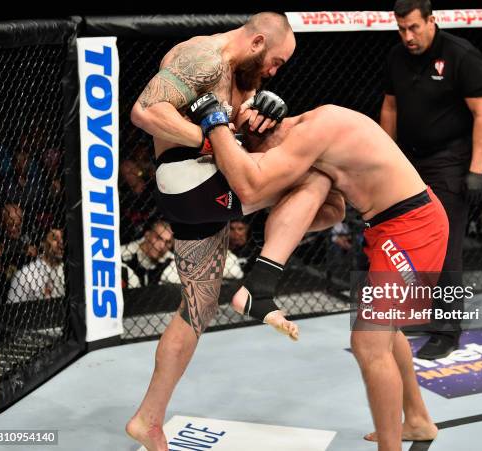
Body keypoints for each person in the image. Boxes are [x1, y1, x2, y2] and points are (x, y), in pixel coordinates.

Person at [126, 13, 343, 451]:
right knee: (320, 181)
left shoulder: (241, 75)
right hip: (191, 178)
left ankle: (148, 420)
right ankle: (260, 283)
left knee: (198, 307)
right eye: (276, 62)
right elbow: (146, 111)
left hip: (195, 192)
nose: (274, 70)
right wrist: (208, 140)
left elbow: (234, 131)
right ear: (259, 41)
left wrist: (260, 114)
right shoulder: (202, 56)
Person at [192, 96, 449, 450]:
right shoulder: (314, 144)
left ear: (264, 133)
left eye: (264, 155)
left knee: (369, 343)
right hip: (388, 227)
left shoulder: (317, 129)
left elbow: (252, 184)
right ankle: (417, 420)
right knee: (387, 333)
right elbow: (334, 213)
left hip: (413, 226)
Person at [379, 0, 482, 359]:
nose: (408, 36)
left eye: (414, 27)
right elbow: (390, 107)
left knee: (445, 246)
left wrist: (476, 169)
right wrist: (386, 158)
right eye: (401, 29)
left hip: (450, 161)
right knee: (411, 241)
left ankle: (447, 330)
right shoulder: (397, 57)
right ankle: (424, 313)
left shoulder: (461, 55)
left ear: (432, 21)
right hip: (410, 161)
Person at [7, 228, 64, 303]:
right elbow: (13, 310)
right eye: (55, 238)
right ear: (43, 243)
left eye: (63, 237)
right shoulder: (24, 275)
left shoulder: (68, 268)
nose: (61, 242)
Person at [121, 220, 180, 288]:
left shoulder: (173, 261)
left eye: (168, 242)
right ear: (147, 235)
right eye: (158, 238)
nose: (162, 245)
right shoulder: (122, 256)